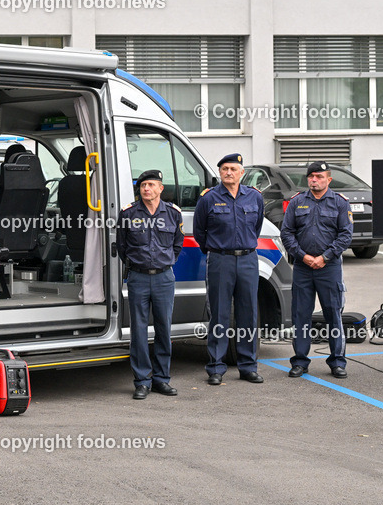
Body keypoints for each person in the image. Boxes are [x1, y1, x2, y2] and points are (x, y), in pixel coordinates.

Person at [194, 153, 265, 386]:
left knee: (248, 314)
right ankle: (215, 366)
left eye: (233, 169)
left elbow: (257, 226)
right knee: (219, 314)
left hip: (247, 259)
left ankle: (248, 366)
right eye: (224, 169)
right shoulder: (208, 198)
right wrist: (216, 251)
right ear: (220, 172)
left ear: (242, 172)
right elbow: (199, 232)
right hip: (220, 260)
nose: (228, 173)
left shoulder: (254, 198)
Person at [280, 161, 354, 379]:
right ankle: (300, 361)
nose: (315, 180)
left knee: (333, 313)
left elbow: (345, 235)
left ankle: (337, 362)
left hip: (329, 267)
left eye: (320, 176)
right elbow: (287, 233)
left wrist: (325, 257)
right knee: (301, 314)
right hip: (303, 268)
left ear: (328, 179)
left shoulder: (340, 203)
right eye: (311, 176)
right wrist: (303, 256)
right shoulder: (297, 202)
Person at [116, 170, 185, 400]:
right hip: (138, 277)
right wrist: (138, 265)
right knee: (138, 330)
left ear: (160, 188)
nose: (146, 189)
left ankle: (162, 380)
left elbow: (177, 244)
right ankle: (142, 381)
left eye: (151, 185)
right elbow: (122, 246)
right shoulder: (128, 213)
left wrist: (166, 263)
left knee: (164, 329)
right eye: (143, 185)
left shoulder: (173, 214)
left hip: (164, 278)